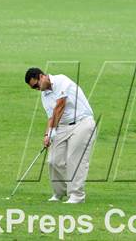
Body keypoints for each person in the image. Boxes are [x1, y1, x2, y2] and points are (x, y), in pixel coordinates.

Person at [24, 67, 97, 204]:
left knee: (74, 160)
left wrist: (52, 131)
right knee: (53, 160)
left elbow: (60, 106)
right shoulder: (44, 95)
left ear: (42, 77)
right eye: (34, 88)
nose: (37, 89)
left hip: (82, 122)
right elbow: (51, 116)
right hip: (62, 125)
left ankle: (76, 196)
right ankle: (60, 192)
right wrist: (47, 134)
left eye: (36, 85)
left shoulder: (61, 80)